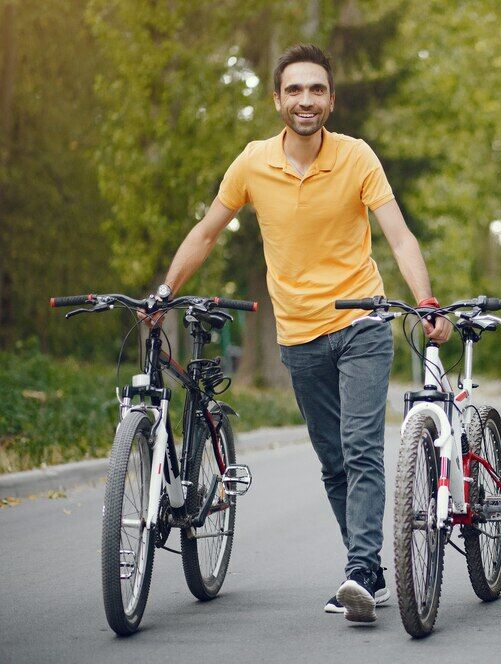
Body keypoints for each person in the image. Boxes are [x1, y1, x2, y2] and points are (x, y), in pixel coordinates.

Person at [152, 44, 451, 624]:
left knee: (362, 447)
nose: (306, 100)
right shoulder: (252, 163)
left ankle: (361, 570)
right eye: (295, 90)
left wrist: (425, 301)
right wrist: (165, 291)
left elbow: (400, 236)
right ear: (277, 100)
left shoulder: (357, 157)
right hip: (299, 336)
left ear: (331, 100)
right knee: (333, 459)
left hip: (362, 321)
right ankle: (367, 568)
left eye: (316, 90)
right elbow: (207, 231)